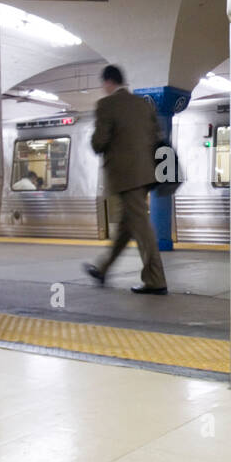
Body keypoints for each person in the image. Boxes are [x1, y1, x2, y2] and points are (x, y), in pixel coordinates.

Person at [83, 65, 167, 294]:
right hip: (146, 173)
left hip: (125, 175)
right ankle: (102, 269)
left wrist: (96, 138)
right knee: (127, 226)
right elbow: (157, 136)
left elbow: (99, 142)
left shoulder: (106, 105)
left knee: (140, 226)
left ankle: (155, 280)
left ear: (108, 82)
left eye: (103, 84)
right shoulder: (143, 104)